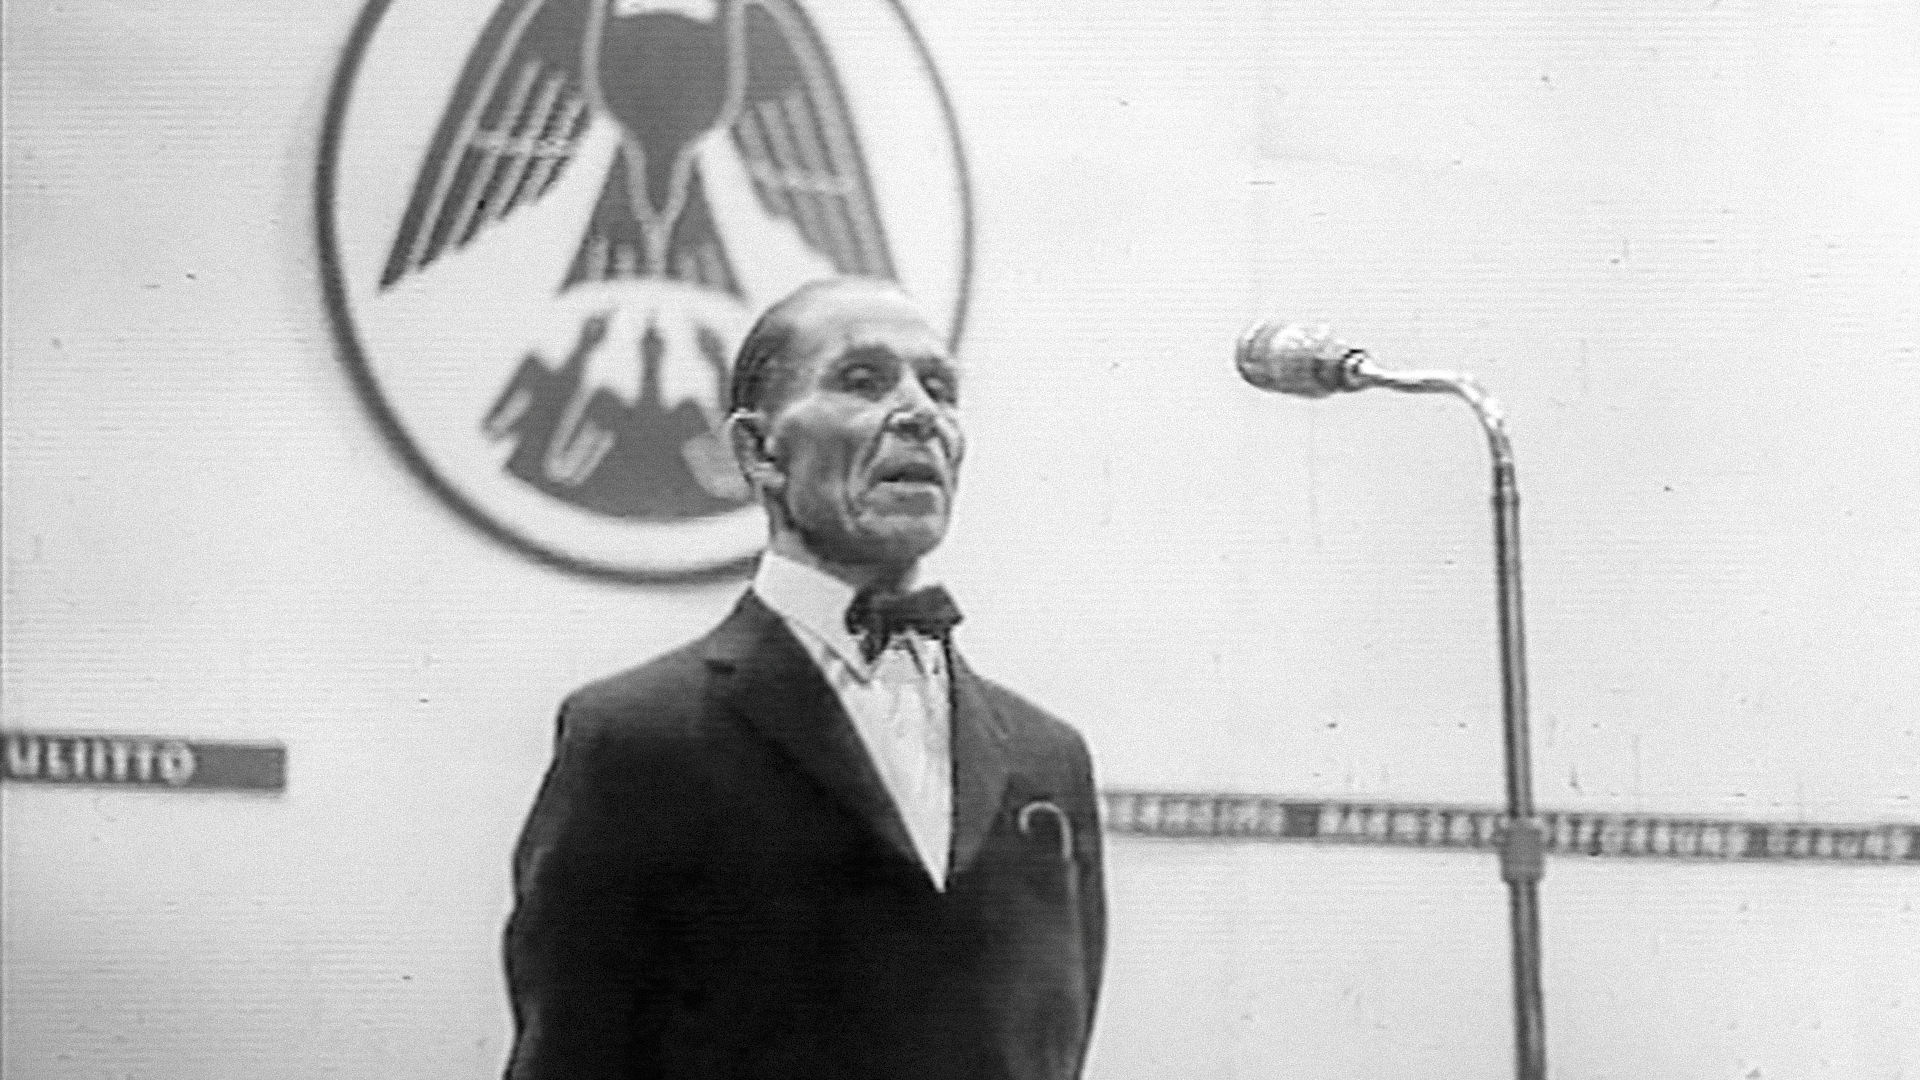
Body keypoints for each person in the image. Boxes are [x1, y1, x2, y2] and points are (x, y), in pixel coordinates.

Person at [503, 278, 1107, 1080]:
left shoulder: (1048, 758)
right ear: (760, 452)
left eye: (940, 388)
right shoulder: (636, 739)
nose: (919, 412)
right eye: (862, 379)